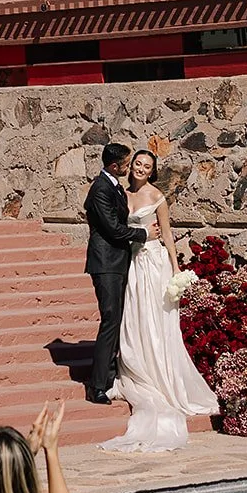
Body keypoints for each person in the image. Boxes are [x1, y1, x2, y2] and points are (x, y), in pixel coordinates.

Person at [99, 148, 218, 452]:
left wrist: (176, 270)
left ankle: (160, 374)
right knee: (134, 318)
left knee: (155, 320)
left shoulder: (157, 196)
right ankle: (137, 366)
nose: (140, 168)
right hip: (132, 264)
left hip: (153, 264)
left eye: (146, 166)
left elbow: (167, 234)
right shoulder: (122, 194)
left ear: (152, 171)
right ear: (130, 167)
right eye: (137, 164)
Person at [85, 142, 149, 405]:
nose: (129, 167)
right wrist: (144, 234)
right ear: (114, 166)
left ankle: (110, 377)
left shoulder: (114, 186)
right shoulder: (101, 188)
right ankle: (97, 385)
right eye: (126, 164)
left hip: (118, 261)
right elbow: (113, 228)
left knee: (118, 319)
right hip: (106, 264)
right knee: (110, 320)